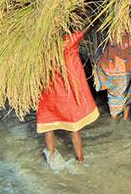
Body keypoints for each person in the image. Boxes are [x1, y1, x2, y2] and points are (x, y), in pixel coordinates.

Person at [37, 30, 99, 169]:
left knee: (49, 126)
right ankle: (80, 160)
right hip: (67, 92)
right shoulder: (69, 42)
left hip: (49, 92)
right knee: (74, 129)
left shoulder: (41, 46)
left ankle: (51, 157)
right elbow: (87, 27)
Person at [92, 33, 131, 120]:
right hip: (124, 70)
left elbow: (98, 49)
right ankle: (124, 118)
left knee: (113, 96)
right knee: (126, 96)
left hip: (108, 70)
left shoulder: (108, 33)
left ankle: (114, 117)